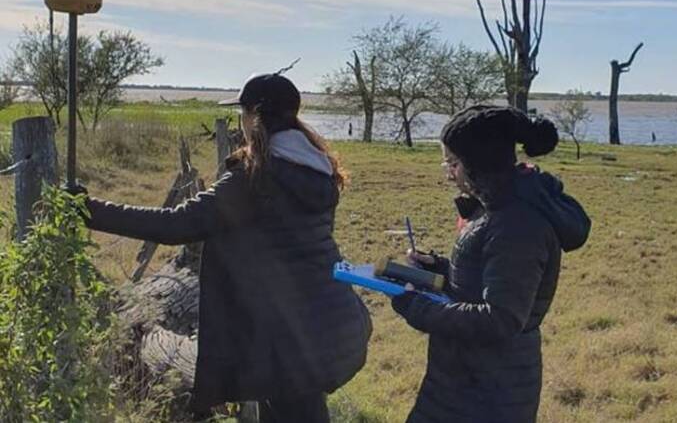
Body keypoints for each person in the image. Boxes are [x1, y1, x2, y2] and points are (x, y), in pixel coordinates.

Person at [76, 73, 372, 422]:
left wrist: (87, 209)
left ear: (254, 116)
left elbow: (177, 224)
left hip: (288, 339)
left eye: (242, 113)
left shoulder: (255, 178)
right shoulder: (316, 168)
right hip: (329, 323)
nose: (240, 123)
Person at [391, 105, 591, 423]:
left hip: (489, 394)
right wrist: (439, 268)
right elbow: (486, 278)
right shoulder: (494, 209)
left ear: (479, 164)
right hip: (465, 381)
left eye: (453, 162)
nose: (448, 171)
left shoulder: (517, 224)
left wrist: (417, 306)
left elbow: (500, 318)